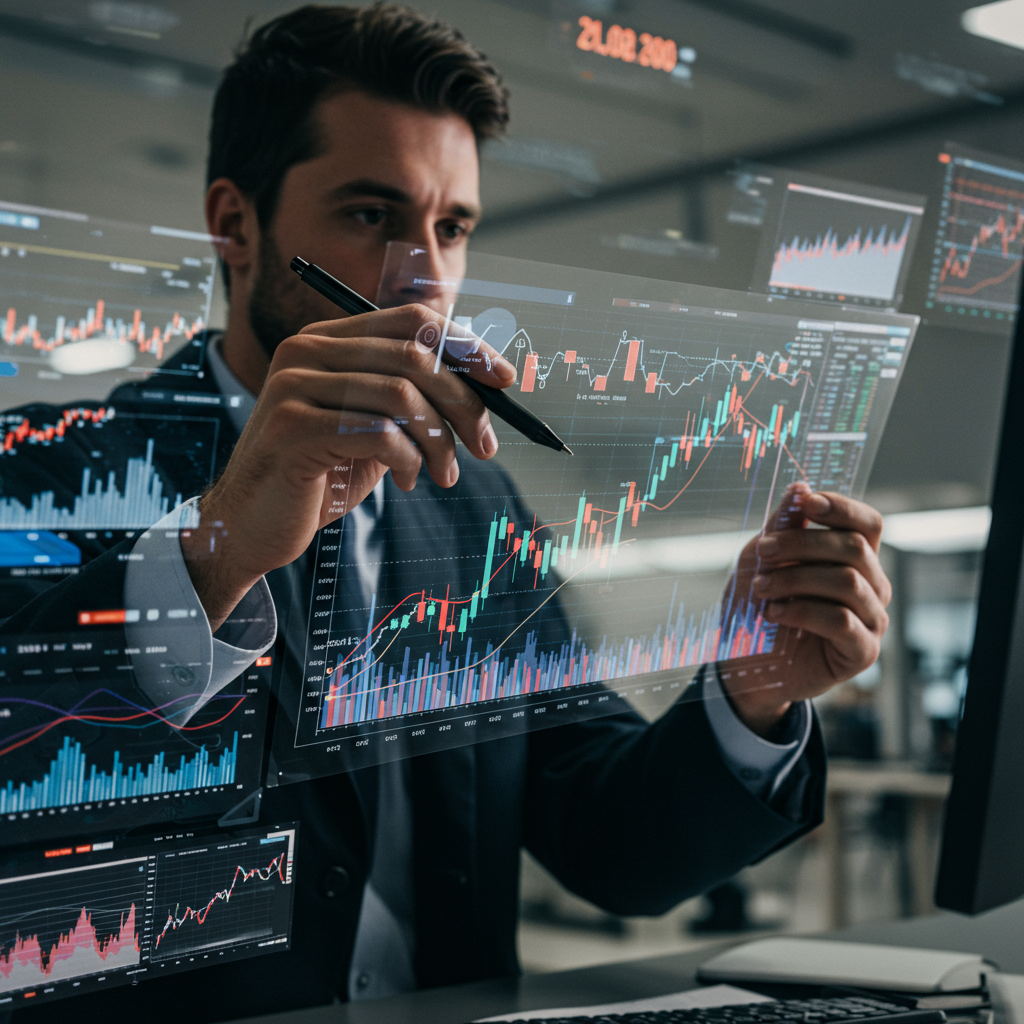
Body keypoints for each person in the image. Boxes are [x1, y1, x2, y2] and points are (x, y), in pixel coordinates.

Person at [2, 6, 891, 1022]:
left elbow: (607, 843)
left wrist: (753, 687)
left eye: (452, 227)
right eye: (372, 215)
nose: (425, 276)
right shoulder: (50, 467)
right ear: (235, 224)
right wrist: (218, 544)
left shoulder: (473, 507)